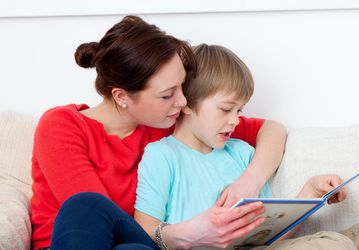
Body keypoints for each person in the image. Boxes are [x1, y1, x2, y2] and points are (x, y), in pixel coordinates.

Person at [30, 16, 287, 250]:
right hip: (75, 241)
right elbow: (96, 216)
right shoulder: (62, 125)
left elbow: (271, 130)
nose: (183, 101)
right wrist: (186, 234)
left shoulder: (168, 122)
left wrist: (250, 181)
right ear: (121, 96)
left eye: (181, 87)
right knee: (85, 205)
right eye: (167, 95)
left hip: (139, 244)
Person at [134, 44, 359, 250]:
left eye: (239, 110)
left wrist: (310, 192)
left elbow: (271, 233)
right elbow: (145, 235)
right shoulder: (162, 156)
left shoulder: (242, 154)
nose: (235, 120)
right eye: (226, 109)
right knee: (334, 245)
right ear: (186, 102)